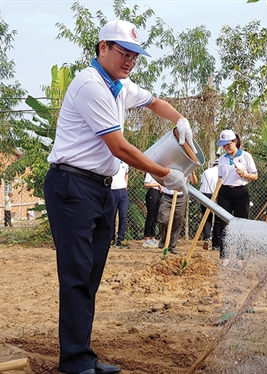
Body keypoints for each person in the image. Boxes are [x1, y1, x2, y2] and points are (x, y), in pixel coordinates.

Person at [43, 20, 194, 374]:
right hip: (72, 187)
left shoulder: (120, 85)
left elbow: (154, 101)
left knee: (91, 273)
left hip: (100, 188)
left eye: (135, 56)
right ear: (103, 48)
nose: (129, 61)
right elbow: (120, 147)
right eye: (123, 53)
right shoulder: (90, 85)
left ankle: (81, 354)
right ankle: (75, 361)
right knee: (77, 273)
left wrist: (179, 117)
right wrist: (163, 173)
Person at [213, 130, 258, 267]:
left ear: (235, 141)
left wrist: (244, 174)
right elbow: (220, 178)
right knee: (223, 225)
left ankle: (240, 259)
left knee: (241, 226)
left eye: (227, 144)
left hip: (241, 192)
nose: (226, 147)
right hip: (225, 193)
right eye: (223, 145)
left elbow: (255, 176)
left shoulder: (246, 156)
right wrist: (215, 195)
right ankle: (225, 258)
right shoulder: (221, 159)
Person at [157, 173, 198, 254]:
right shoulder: (170, 164)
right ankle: (164, 239)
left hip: (180, 198)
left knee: (178, 221)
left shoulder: (187, 168)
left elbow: (194, 182)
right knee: (163, 219)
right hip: (167, 197)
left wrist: (193, 172)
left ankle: (172, 246)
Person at [199, 160, 220, 250]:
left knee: (207, 217)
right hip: (215, 194)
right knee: (218, 219)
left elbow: (202, 183)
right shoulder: (221, 172)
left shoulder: (206, 171)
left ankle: (207, 238)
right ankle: (216, 243)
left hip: (203, 194)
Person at [110, 161, 129, 248]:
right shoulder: (111, 160)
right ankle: (111, 239)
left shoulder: (125, 163)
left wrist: (126, 185)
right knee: (111, 216)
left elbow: (126, 174)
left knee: (123, 216)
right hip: (112, 190)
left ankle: (120, 239)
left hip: (122, 191)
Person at [142, 172, 163, 248]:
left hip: (158, 193)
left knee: (155, 217)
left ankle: (152, 237)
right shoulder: (150, 173)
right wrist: (157, 185)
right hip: (152, 192)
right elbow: (146, 184)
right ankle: (146, 237)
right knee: (150, 216)